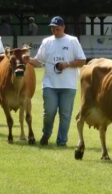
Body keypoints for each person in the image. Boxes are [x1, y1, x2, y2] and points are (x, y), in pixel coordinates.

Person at [25, 16, 86, 147]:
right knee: (49, 112)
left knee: (65, 115)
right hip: (50, 84)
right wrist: (27, 59)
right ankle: (46, 134)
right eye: (52, 28)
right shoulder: (47, 42)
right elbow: (38, 61)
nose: (55, 30)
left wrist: (67, 64)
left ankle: (62, 141)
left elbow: (82, 61)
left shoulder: (72, 41)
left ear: (63, 27)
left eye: (57, 28)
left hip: (68, 85)